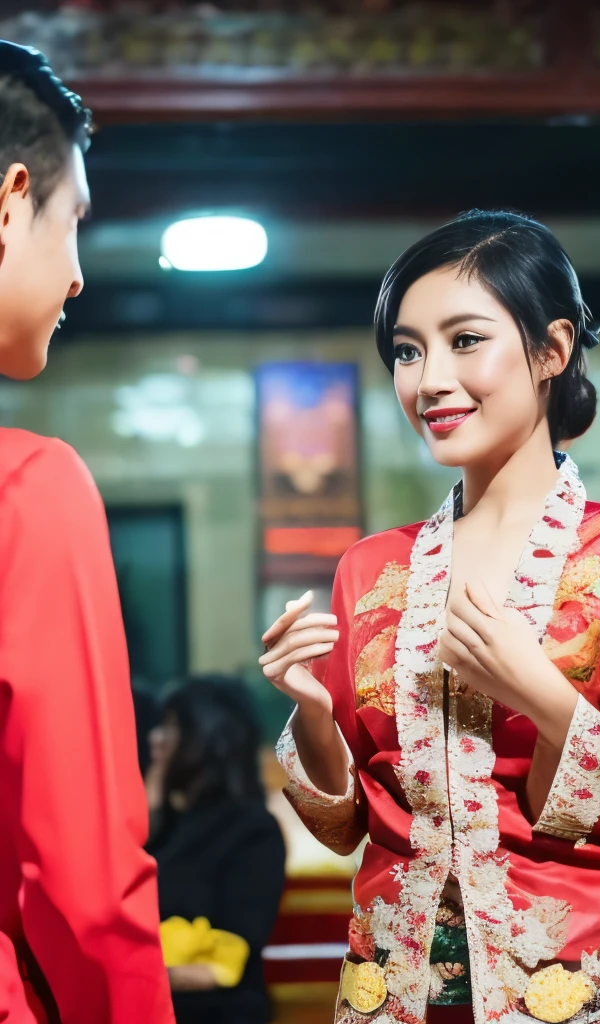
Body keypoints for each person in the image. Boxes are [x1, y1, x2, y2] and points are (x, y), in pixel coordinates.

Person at [259, 210, 600, 1024]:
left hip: (581, 994)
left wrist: (551, 703)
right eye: (406, 350)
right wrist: (313, 715)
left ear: (551, 350)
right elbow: (347, 827)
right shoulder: (372, 569)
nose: (428, 380)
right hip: (392, 996)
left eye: (465, 340)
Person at [0, 41, 173, 1023]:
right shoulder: (29, 487)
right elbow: (84, 880)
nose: (74, 277)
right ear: (10, 200)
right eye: (74, 225)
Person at [146, 676, 287, 1024]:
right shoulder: (169, 825)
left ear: (209, 738)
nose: (155, 739)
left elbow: (224, 966)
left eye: (172, 726)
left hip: (216, 1011)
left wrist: (137, 977)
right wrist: (150, 806)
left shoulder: (253, 832)